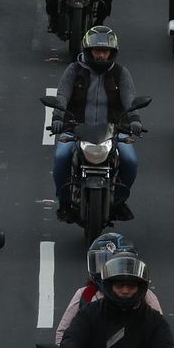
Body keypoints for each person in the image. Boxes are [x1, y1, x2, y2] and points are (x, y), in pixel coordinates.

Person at [51, 25, 140, 220]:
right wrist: (58, 118)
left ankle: (119, 200)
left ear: (112, 53)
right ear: (88, 51)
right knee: (61, 157)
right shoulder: (73, 70)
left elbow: (130, 100)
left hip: (114, 130)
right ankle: (64, 202)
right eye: (97, 51)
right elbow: (62, 96)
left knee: (130, 161)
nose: (101, 55)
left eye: (105, 51)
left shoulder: (120, 73)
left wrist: (134, 120)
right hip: (75, 128)